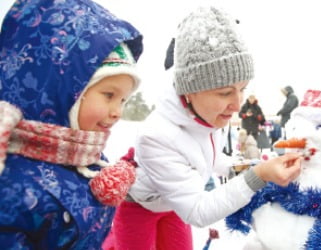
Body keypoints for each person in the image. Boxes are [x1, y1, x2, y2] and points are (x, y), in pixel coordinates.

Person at [109, 6, 302, 250]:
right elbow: (197, 211)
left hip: (174, 204)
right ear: (189, 91)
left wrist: (252, 166)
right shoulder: (155, 135)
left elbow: (208, 158)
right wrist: (259, 175)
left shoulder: (210, 114)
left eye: (242, 89)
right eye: (225, 92)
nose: (237, 104)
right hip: (140, 205)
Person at [0, 0, 143, 248]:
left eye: (123, 100)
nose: (118, 112)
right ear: (61, 91)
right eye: (109, 95)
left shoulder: (89, 160)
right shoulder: (14, 188)